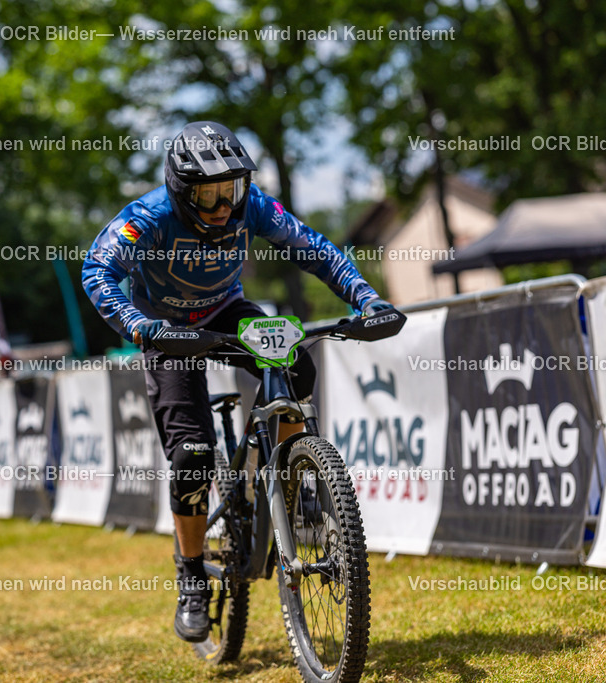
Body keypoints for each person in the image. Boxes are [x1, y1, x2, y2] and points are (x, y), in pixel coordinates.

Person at [81, 121, 392, 643]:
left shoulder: (254, 208)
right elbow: (97, 270)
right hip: (166, 328)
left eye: (232, 189)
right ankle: (192, 575)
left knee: (297, 363)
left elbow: (312, 247)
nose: (224, 205)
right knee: (192, 456)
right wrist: (141, 326)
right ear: (181, 191)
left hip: (226, 310)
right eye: (209, 194)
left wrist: (366, 297)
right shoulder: (147, 218)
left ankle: (295, 485)